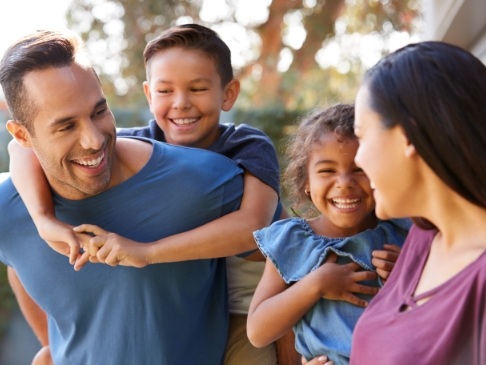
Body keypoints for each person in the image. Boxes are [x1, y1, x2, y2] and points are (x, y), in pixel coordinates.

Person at [7, 24, 297, 364]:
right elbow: (18, 153)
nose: (94, 141)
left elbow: (270, 235)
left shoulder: (244, 149)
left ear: (228, 93)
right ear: (148, 94)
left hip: (248, 297)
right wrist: (42, 221)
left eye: (100, 112)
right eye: (66, 125)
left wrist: (147, 252)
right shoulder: (139, 139)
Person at [246, 104, 411, 365]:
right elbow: (257, 331)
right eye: (327, 171)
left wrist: (408, 275)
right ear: (306, 182)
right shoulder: (293, 241)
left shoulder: (403, 231)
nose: (344, 182)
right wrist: (316, 285)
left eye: (359, 169)